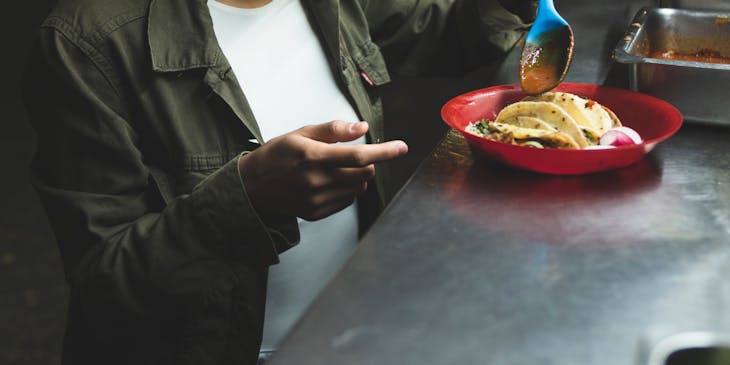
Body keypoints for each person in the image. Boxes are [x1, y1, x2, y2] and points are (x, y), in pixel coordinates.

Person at [22, 0, 536, 364]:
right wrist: (247, 197)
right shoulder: (86, 42)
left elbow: (443, 28)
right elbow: (104, 281)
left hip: (348, 331)